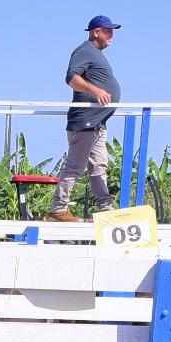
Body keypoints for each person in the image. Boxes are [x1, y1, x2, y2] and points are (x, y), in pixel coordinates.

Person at [46, 16, 120, 222]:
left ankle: (105, 208)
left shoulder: (96, 54)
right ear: (96, 32)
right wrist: (96, 90)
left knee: (99, 167)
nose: (112, 35)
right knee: (75, 166)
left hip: (98, 123)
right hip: (85, 121)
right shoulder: (84, 50)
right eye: (108, 31)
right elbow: (71, 78)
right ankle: (58, 209)